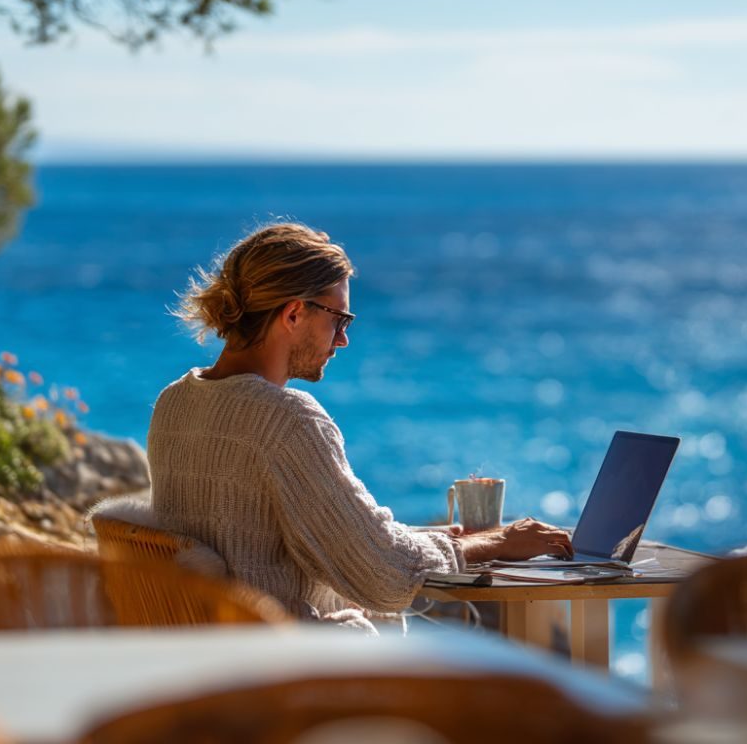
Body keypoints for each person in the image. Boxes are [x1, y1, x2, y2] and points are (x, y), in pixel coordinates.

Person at [147, 222, 572, 632]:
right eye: (339, 320)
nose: (343, 340)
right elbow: (383, 576)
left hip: (210, 659)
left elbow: (289, 537)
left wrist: (425, 538)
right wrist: (497, 544)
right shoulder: (284, 420)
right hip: (283, 672)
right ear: (294, 313)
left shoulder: (175, 403)